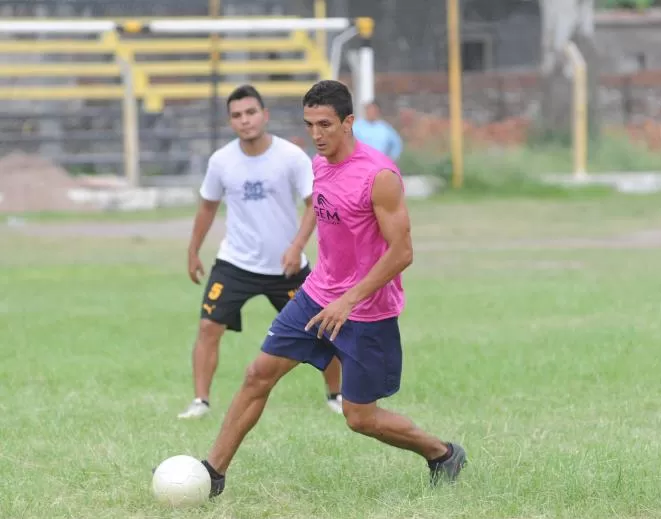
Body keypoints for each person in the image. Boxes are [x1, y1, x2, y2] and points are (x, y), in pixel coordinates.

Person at [197, 80, 466, 497]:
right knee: (258, 375)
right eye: (310, 125)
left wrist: (349, 299)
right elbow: (322, 215)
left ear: (349, 122)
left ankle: (443, 454)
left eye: (325, 124)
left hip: (367, 311)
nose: (317, 135)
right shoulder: (318, 164)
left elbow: (402, 252)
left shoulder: (379, 176)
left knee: (360, 418)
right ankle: (212, 473)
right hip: (316, 295)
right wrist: (300, 252)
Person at [182, 84, 343, 420]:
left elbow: (315, 204)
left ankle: (336, 395)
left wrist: (296, 247)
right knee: (209, 327)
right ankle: (201, 402)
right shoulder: (222, 161)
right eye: (237, 115)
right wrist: (193, 251)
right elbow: (207, 208)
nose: (245, 120)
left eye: (251, 112)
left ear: (264, 115)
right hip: (235, 263)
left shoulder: (291, 157)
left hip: (286, 267)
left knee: (324, 329)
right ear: (231, 122)